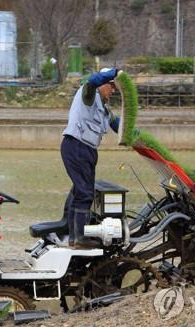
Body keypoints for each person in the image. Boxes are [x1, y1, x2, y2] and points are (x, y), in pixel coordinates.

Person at [61, 67, 121, 249]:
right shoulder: (88, 94)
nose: (113, 91)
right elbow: (92, 80)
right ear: (102, 83)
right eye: (111, 86)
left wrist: (138, 138)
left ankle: (74, 238)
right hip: (77, 146)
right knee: (84, 193)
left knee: (81, 192)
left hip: (87, 151)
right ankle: (79, 238)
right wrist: (116, 73)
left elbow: (118, 125)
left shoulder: (104, 107)